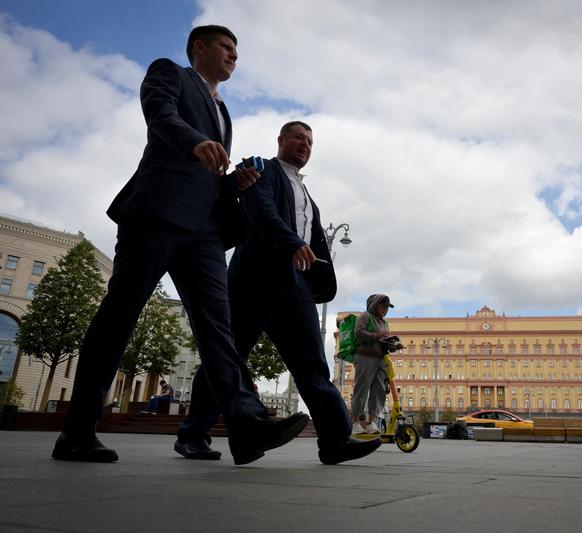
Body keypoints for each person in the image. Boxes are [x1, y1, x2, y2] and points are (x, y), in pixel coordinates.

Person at [52, 25, 309, 465]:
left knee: (218, 328)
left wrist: (234, 183)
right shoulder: (169, 73)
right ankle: (77, 432)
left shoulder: (224, 111)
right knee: (120, 315)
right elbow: (160, 115)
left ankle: (246, 428)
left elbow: (207, 173)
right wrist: (196, 141)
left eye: (236, 50)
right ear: (200, 48)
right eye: (226, 47)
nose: (233, 55)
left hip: (205, 231)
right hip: (156, 213)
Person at [177, 121, 381, 465]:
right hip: (254, 280)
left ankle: (335, 440)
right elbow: (261, 211)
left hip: (296, 286)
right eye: (299, 138)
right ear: (281, 140)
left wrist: (316, 274)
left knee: (312, 364)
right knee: (228, 356)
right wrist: (292, 243)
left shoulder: (307, 196)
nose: (305, 145)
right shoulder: (262, 168)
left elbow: (313, 237)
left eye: (310, 142)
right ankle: (194, 434)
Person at [351, 294, 393, 435]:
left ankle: (372, 422)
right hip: (365, 357)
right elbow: (358, 332)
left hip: (381, 359)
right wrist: (377, 336)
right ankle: (355, 422)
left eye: (387, 307)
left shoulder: (385, 323)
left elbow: (384, 340)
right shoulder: (365, 316)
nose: (385, 309)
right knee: (362, 388)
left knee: (379, 390)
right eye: (383, 305)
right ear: (375, 305)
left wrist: (393, 344)